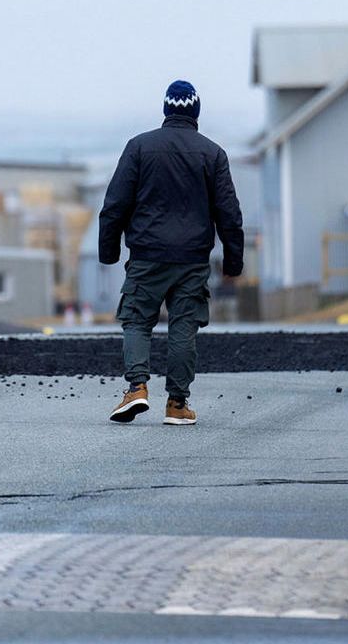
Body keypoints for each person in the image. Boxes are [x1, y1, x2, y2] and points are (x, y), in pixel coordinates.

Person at [98, 80, 243, 426]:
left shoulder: (139, 147)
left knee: (137, 319)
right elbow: (229, 214)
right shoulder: (213, 154)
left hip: (147, 254)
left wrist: (108, 252)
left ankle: (137, 388)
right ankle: (177, 404)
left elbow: (115, 204)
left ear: (166, 110)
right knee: (184, 325)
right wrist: (233, 262)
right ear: (195, 112)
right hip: (192, 259)